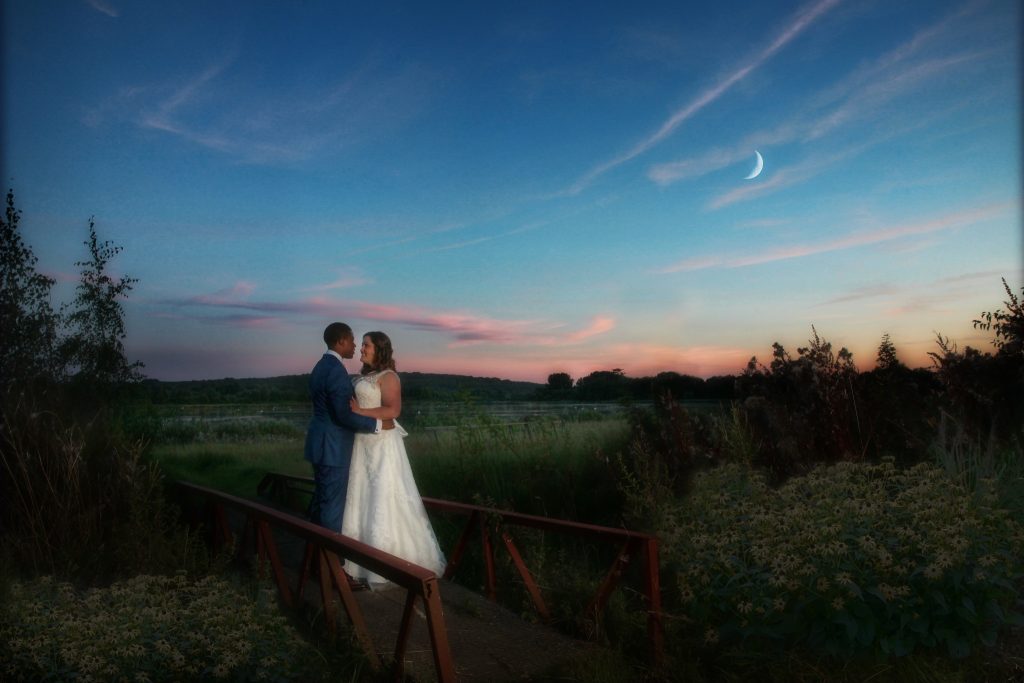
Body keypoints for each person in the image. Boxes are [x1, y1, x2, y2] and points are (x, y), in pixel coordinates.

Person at [342, 331, 446, 587]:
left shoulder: (388, 377)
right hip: (362, 443)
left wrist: (360, 410)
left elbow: (393, 410)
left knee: (383, 496)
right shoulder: (364, 376)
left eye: (366, 345)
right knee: (363, 496)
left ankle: (392, 561)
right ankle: (359, 560)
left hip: (381, 446)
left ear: (379, 349)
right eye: (362, 345)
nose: (361, 349)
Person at [304, 322, 392, 533]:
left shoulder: (320, 366)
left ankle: (316, 557)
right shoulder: (335, 370)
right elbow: (343, 414)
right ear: (341, 341)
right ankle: (331, 561)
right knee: (332, 509)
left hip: (320, 444)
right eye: (353, 341)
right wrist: (377, 425)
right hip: (333, 448)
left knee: (322, 501)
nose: (355, 346)